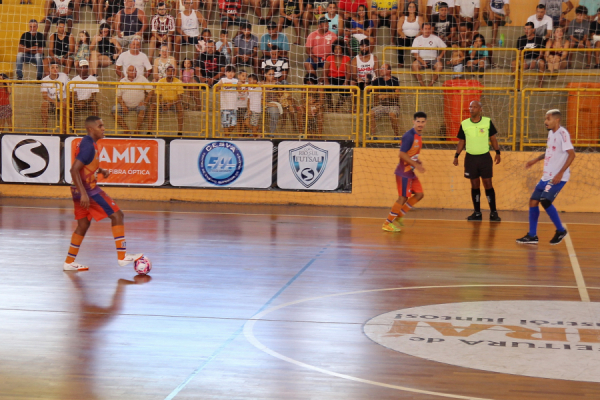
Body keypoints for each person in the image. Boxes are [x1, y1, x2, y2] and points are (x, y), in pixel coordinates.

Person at [63, 115, 143, 271]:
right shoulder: (88, 146)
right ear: (91, 129)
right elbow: (73, 170)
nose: (103, 128)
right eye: (100, 126)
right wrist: (84, 194)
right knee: (117, 215)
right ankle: (122, 256)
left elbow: (85, 164)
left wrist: (100, 170)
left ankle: (69, 262)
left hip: (78, 191)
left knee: (83, 225)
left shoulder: (88, 144)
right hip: (89, 191)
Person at [516, 109, 575, 245]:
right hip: (546, 176)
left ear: (557, 120)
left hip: (557, 177)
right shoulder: (550, 134)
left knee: (545, 200)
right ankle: (532, 235)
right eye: (545, 119)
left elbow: (572, 154)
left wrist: (560, 173)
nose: (545, 122)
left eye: (548, 119)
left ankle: (560, 230)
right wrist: (535, 160)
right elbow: (549, 151)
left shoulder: (563, 134)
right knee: (533, 201)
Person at [452, 100, 501, 221]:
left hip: (484, 158)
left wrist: (498, 152)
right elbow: (461, 141)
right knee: (474, 185)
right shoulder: (464, 124)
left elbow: (493, 139)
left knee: (488, 184)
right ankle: (477, 213)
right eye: (470, 106)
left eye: (474, 107)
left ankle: (493, 212)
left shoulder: (487, 122)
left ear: (480, 109)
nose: (471, 109)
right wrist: (456, 155)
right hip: (470, 159)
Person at [382, 111, 427, 232]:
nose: (420, 124)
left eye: (423, 122)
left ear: (425, 123)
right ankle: (387, 223)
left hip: (410, 172)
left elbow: (411, 154)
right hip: (404, 172)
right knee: (402, 198)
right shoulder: (409, 136)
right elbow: (401, 154)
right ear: (413, 121)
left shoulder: (418, 136)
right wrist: (416, 165)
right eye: (418, 121)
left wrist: (418, 161)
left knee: (419, 194)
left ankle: (399, 216)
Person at [112, 65, 152, 133]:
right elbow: (119, 96)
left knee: (143, 109)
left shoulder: (142, 78)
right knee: (114, 109)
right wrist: (123, 105)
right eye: (130, 70)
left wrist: (145, 102)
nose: (132, 72)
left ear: (136, 71)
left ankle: (137, 130)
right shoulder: (122, 81)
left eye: (134, 70)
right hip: (125, 105)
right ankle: (126, 129)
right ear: (127, 72)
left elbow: (151, 91)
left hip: (138, 105)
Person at [150, 65, 184, 134]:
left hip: (173, 103)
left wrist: (170, 104)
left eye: (172, 71)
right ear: (165, 72)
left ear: (174, 73)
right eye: (168, 71)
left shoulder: (178, 82)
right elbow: (157, 96)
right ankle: (149, 131)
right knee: (152, 106)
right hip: (163, 103)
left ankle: (180, 132)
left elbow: (180, 98)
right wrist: (161, 104)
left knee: (180, 107)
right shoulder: (160, 81)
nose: (170, 73)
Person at [369, 64, 400, 138]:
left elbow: (397, 94)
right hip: (381, 105)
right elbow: (368, 89)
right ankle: (373, 136)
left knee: (392, 115)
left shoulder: (394, 80)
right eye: (381, 68)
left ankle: (396, 135)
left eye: (383, 68)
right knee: (370, 113)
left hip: (393, 105)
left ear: (389, 71)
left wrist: (387, 95)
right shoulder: (378, 80)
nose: (381, 70)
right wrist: (368, 82)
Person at [411, 22, 446, 86]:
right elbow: (415, 53)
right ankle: (422, 84)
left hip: (433, 60)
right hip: (421, 59)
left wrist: (440, 56)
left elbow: (445, 48)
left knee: (440, 65)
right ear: (422, 29)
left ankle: (431, 84)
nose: (427, 30)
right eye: (425, 29)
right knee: (414, 65)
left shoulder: (435, 38)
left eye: (429, 29)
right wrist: (422, 61)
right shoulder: (417, 39)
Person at [512, 22, 545, 88]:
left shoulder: (539, 39)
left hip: (536, 59)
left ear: (533, 29)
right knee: (513, 63)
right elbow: (519, 53)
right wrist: (522, 60)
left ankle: (540, 84)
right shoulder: (521, 39)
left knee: (542, 63)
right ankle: (518, 85)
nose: (526, 31)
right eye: (525, 29)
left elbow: (541, 54)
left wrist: (535, 60)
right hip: (524, 59)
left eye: (528, 29)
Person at [41, 62, 69, 131]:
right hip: (51, 101)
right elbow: (44, 96)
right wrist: (54, 102)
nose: (55, 69)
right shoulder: (45, 80)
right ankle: (45, 129)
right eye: (53, 67)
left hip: (63, 99)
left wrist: (65, 99)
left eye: (56, 67)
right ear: (49, 69)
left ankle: (64, 131)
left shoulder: (64, 76)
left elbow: (70, 90)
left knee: (65, 105)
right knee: (44, 104)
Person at [396, 1, 422, 66]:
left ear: (416, 8)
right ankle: (400, 62)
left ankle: (416, 61)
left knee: (420, 42)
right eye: (410, 7)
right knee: (400, 41)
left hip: (416, 38)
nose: (412, 8)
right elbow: (399, 29)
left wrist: (418, 34)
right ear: (407, 8)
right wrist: (402, 34)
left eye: (413, 7)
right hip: (405, 37)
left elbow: (422, 29)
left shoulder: (419, 18)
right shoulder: (403, 18)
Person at [217, 64, 239, 133]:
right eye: (229, 72)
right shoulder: (223, 80)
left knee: (233, 125)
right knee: (225, 125)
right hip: (225, 106)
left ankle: (227, 135)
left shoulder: (236, 80)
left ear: (234, 73)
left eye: (232, 72)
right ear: (225, 73)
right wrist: (218, 86)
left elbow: (240, 89)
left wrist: (239, 86)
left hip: (234, 106)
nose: (230, 73)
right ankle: (226, 137)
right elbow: (216, 88)